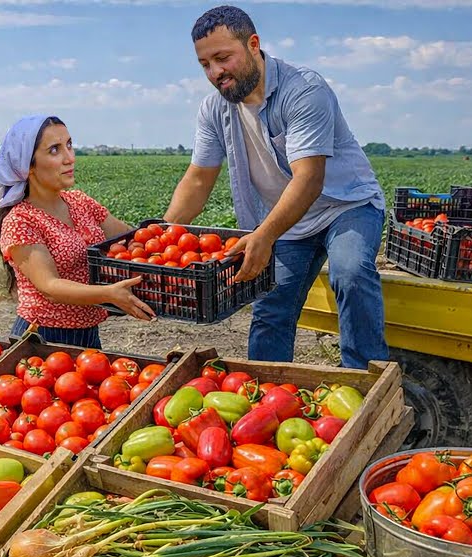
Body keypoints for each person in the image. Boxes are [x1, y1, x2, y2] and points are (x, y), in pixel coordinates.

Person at [163, 5, 389, 369]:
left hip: (344, 207)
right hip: (287, 219)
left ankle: (365, 377)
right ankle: (265, 393)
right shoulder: (214, 109)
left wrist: (264, 236)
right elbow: (199, 178)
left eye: (223, 58)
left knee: (351, 271)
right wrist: (163, 234)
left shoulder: (303, 90)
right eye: (205, 64)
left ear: (253, 44)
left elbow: (309, 179)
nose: (215, 72)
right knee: (270, 306)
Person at [0, 115, 153, 349]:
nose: (70, 158)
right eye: (54, 150)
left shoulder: (80, 202)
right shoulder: (20, 220)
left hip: (88, 334)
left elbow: (132, 238)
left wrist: (172, 242)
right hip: (42, 337)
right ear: (28, 165)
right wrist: (108, 293)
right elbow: (51, 287)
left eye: (69, 145)